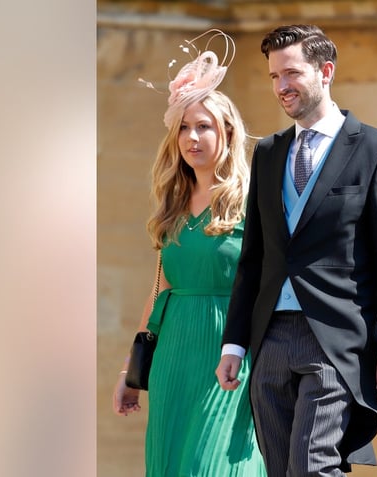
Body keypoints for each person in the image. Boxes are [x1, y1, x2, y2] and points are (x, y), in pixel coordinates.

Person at [215, 24, 377, 476]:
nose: (281, 87)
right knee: (283, 469)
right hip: (270, 339)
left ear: (325, 71)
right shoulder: (267, 153)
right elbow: (254, 257)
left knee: (312, 466)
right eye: (273, 77)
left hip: (335, 337)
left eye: (291, 74)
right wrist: (235, 343)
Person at [112, 30, 266, 477]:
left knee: (212, 465)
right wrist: (131, 370)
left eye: (204, 126)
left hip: (229, 355)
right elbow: (158, 290)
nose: (191, 137)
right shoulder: (171, 206)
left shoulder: (253, 201)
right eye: (183, 126)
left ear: (228, 132)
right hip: (174, 354)